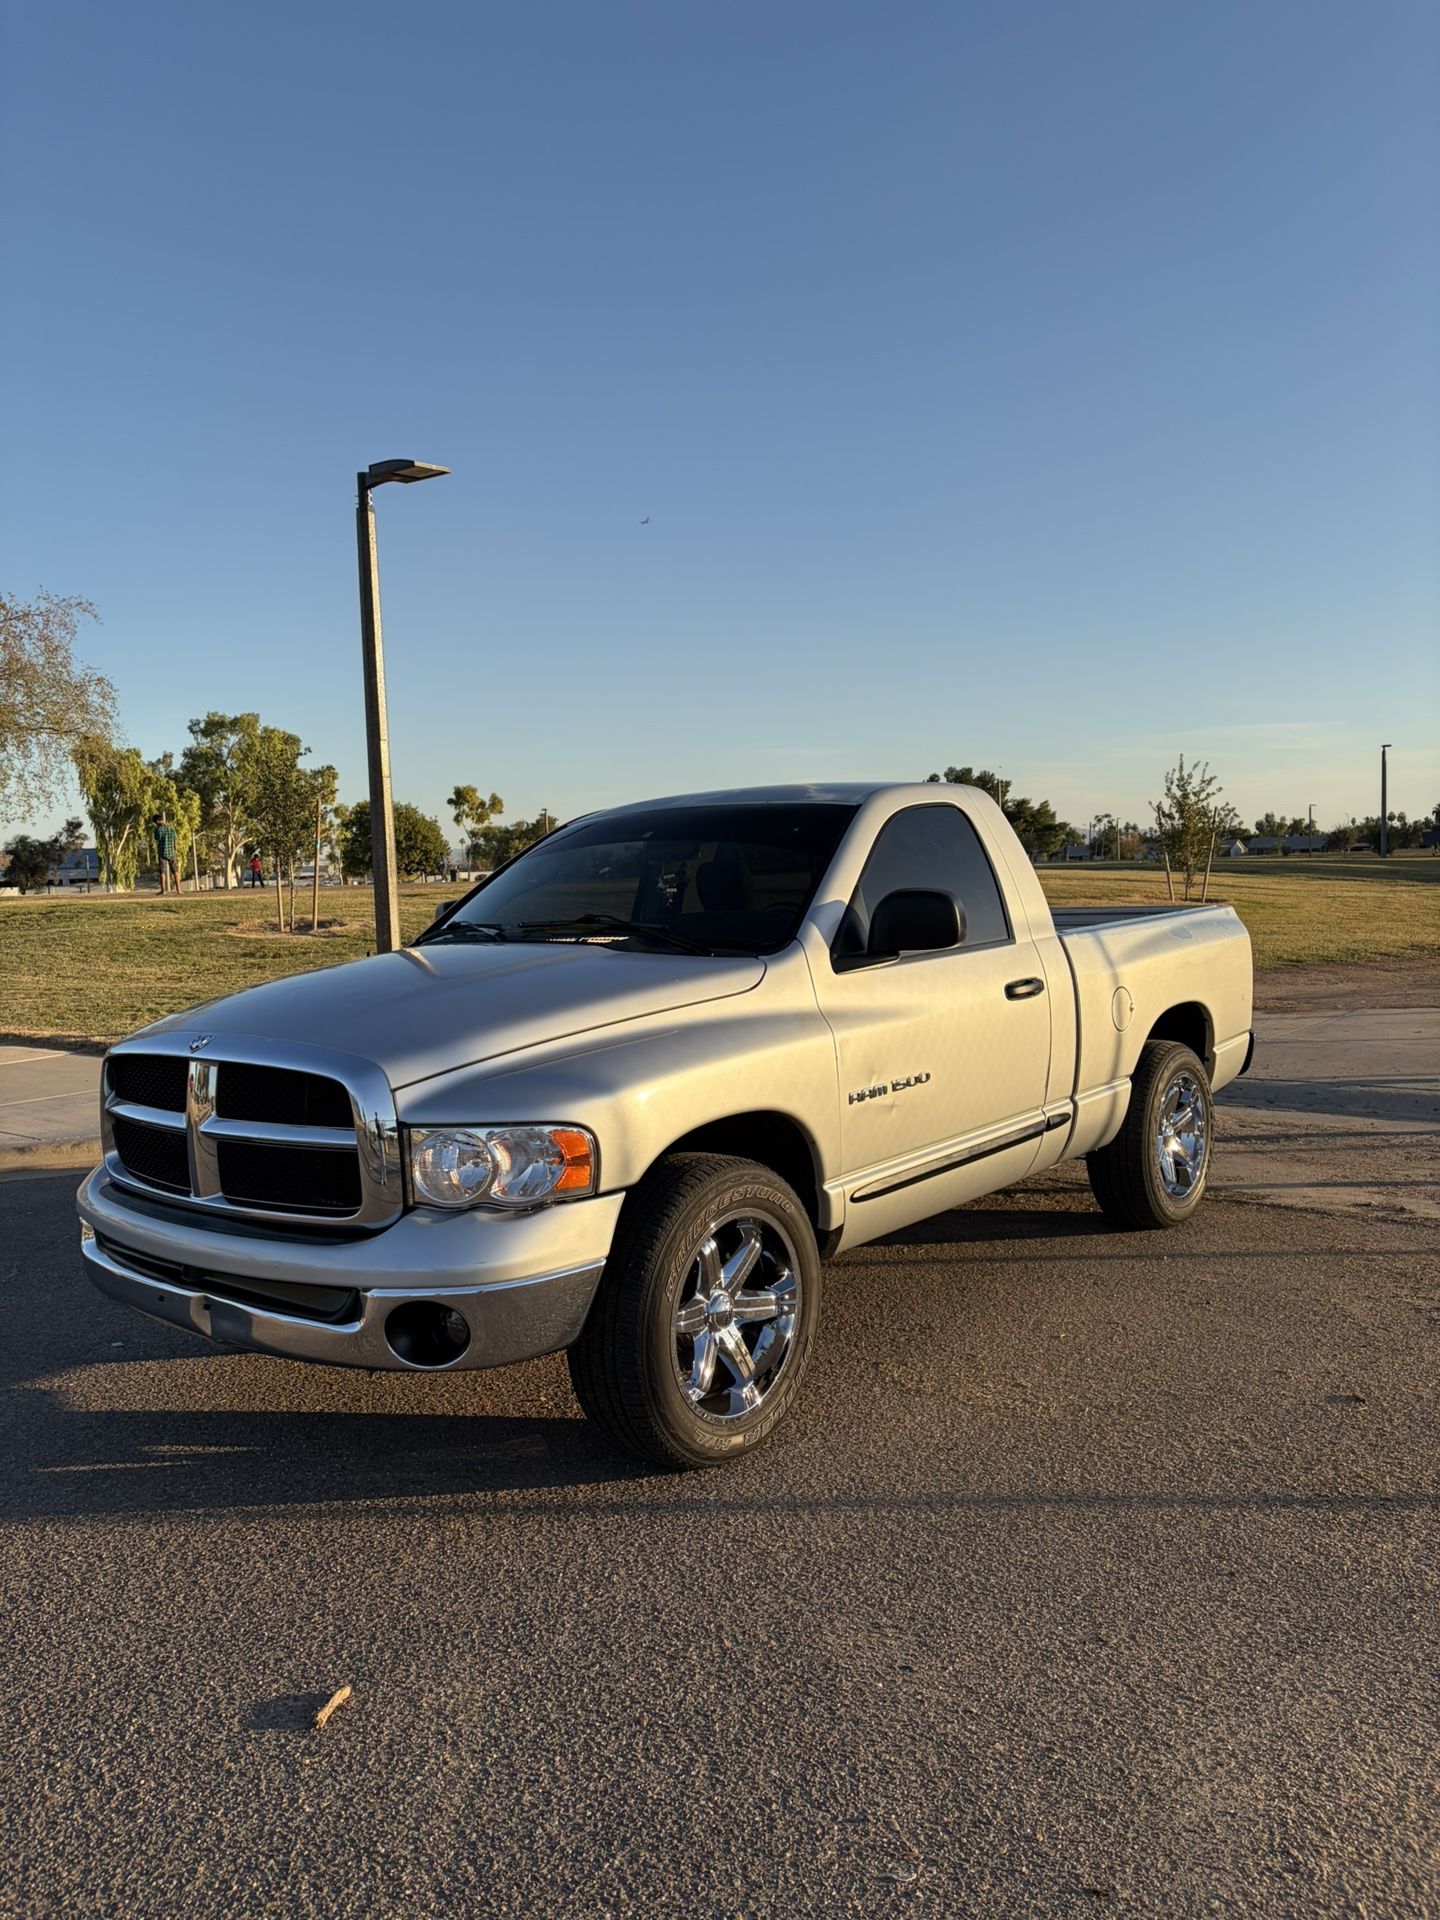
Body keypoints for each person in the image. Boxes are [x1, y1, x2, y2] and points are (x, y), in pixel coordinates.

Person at [154, 813, 180, 894]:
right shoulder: (171, 828)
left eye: (155, 823)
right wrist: (175, 849)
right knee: (175, 870)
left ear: (158, 821)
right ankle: (179, 890)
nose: (155, 824)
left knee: (162, 871)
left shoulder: (157, 830)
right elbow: (175, 840)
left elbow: (156, 838)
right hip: (171, 852)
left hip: (162, 852)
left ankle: (163, 890)